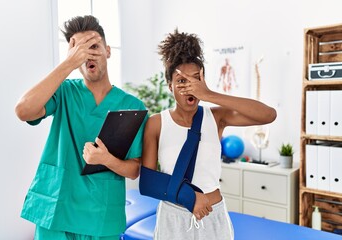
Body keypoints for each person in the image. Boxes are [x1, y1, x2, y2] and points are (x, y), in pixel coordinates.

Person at [15, 15, 146, 240]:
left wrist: (106, 160)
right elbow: (23, 110)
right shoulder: (64, 92)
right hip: (57, 208)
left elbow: (134, 169)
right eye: (79, 50)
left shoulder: (132, 106)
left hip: (102, 216)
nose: (88, 55)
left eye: (93, 46)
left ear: (108, 50)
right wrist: (67, 64)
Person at [140, 29, 277, 240]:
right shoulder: (156, 123)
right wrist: (189, 197)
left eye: (195, 80)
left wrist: (210, 95)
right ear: (170, 86)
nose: (189, 88)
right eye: (181, 81)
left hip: (213, 217)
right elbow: (148, 183)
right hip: (172, 219)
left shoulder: (216, 117)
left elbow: (268, 115)